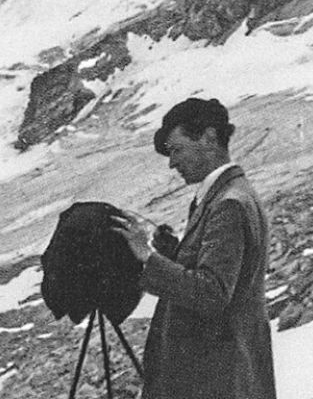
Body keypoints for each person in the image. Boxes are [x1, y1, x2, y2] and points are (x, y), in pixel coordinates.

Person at [112, 98, 277, 399]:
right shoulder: (227, 195)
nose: (172, 163)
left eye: (177, 150)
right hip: (226, 373)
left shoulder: (227, 203)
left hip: (219, 377)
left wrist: (148, 259)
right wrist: (173, 254)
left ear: (209, 138)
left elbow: (212, 292)